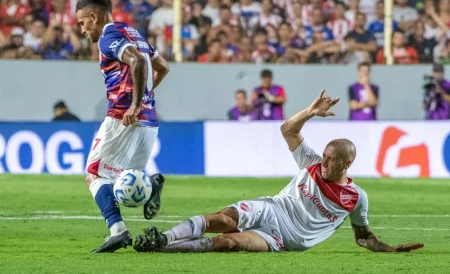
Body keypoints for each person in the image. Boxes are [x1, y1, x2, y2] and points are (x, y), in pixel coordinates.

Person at [133, 90, 424, 253]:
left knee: (228, 242)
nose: (323, 162)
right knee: (221, 219)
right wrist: (309, 113)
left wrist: (390, 249)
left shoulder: (356, 198)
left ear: (346, 164)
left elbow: (363, 237)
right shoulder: (310, 162)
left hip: (285, 239)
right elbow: (287, 129)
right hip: (272, 209)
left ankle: (163, 250)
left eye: (330, 159)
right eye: (323, 156)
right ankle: (164, 237)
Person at [75, 0, 170, 253]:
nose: (83, 30)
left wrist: (135, 104)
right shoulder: (132, 32)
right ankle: (148, 188)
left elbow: (137, 61)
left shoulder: (108, 37)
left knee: (95, 175)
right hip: (149, 123)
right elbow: (162, 67)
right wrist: (145, 100)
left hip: (123, 118)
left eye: (83, 23)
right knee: (122, 181)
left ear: (94, 16)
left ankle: (118, 231)